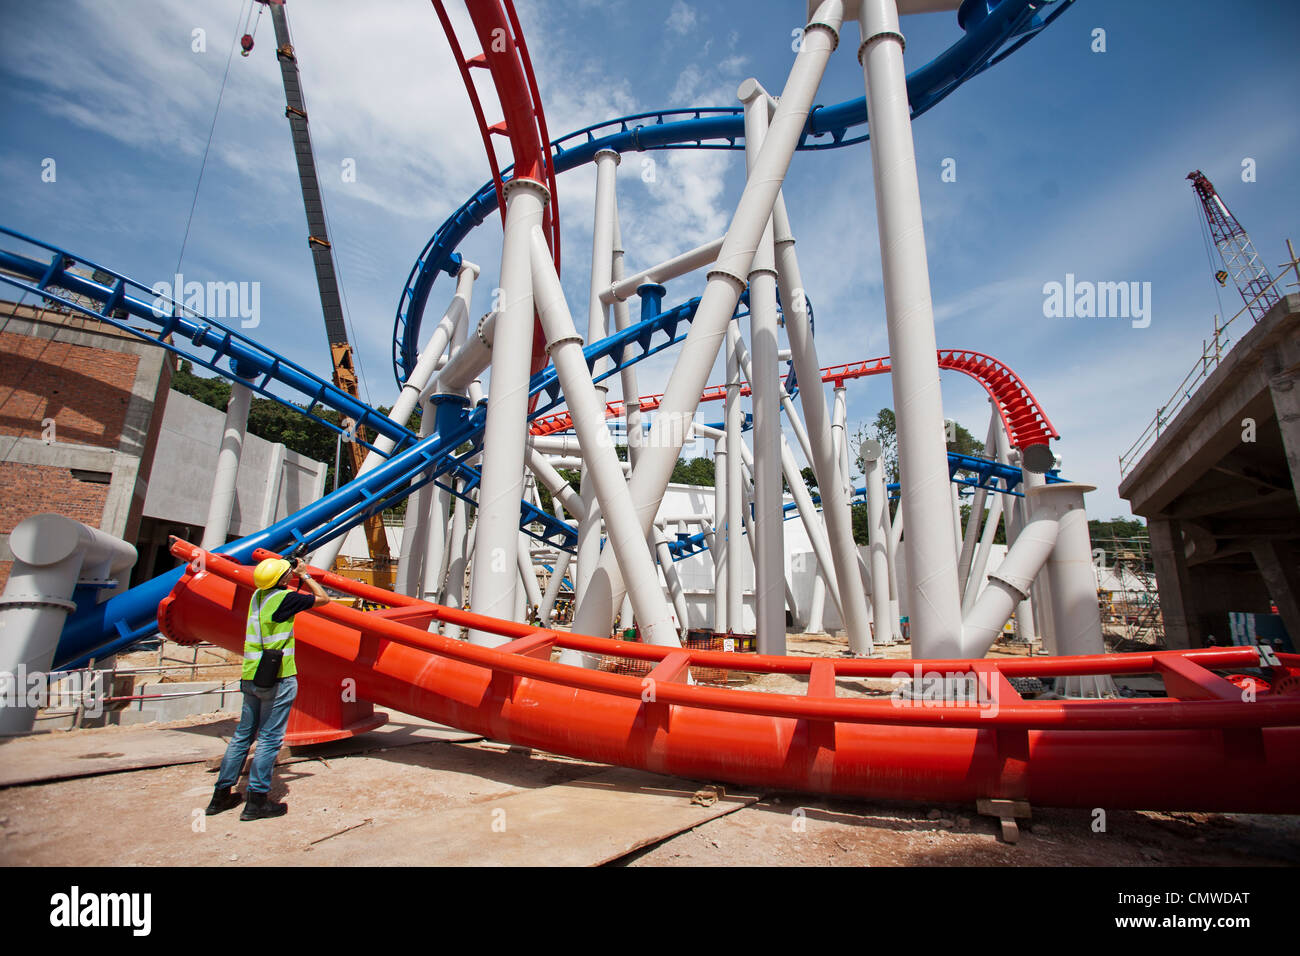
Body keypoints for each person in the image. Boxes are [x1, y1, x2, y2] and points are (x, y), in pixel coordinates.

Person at [205, 555, 329, 820]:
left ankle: (220, 796)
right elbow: (323, 598)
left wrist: (285, 573)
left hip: (251, 675)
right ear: (283, 579)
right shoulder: (284, 599)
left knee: (242, 736)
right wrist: (305, 574)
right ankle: (257, 801)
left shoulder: (257, 598)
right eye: (287, 574)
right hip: (278, 676)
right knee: (270, 738)